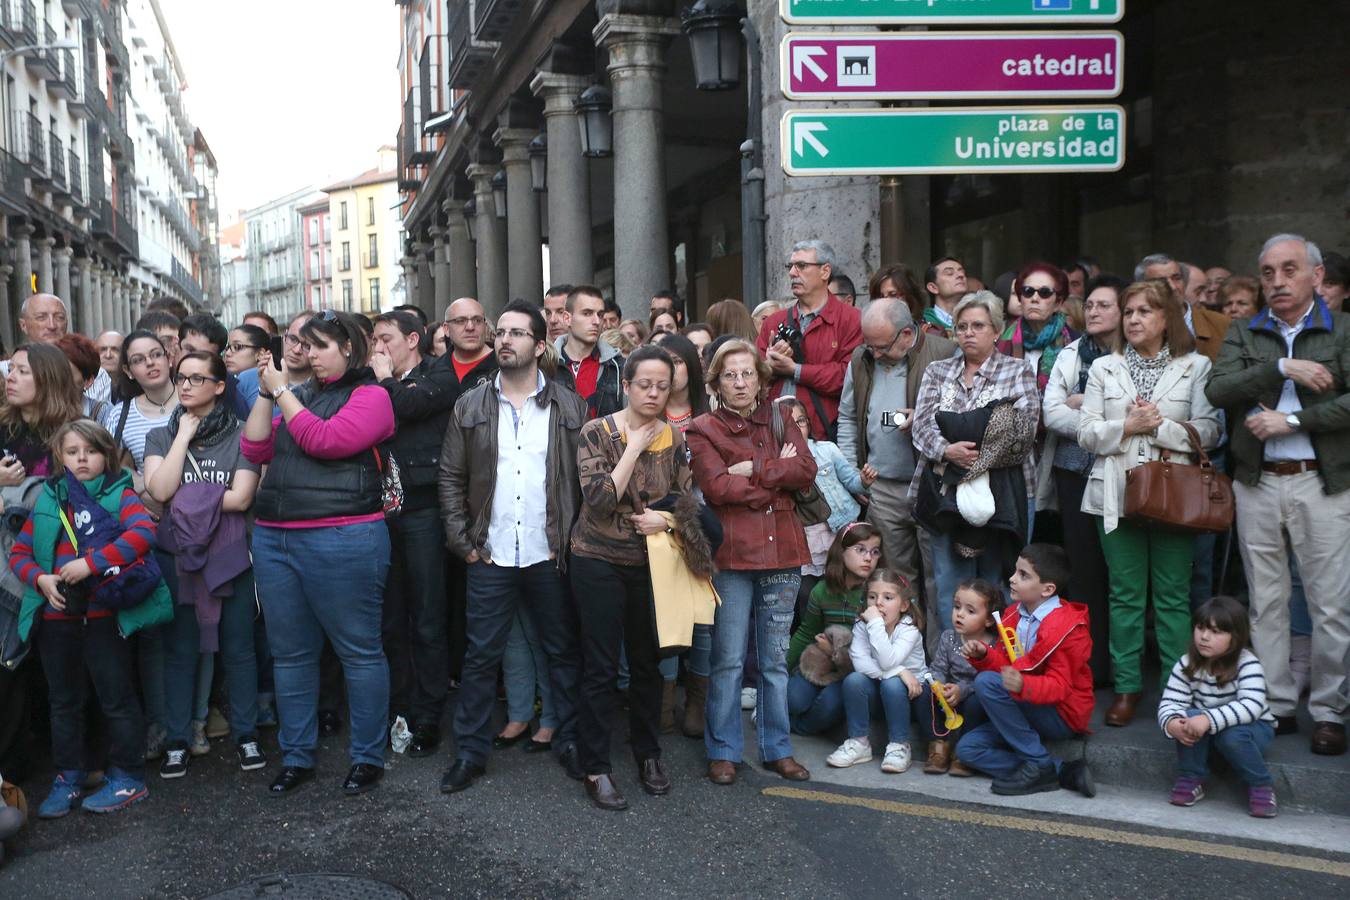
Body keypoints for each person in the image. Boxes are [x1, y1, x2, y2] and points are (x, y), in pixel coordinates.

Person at [242, 310, 395, 797]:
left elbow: (326, 442)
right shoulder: (298, 395)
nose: (309, 355)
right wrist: (269, 392)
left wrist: (282, 392)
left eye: (320, 346)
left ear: (348, 348)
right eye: (305, 346)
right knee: (290, 656)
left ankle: (368, 756)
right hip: (275, 537)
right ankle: (297, 756)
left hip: (343, 536)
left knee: (359, 652)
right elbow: (255, 449)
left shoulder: (373, 397)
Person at [1206, 234, 1349, 756]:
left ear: (1315, 276)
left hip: (1323, 480)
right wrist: (1282, 368)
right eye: (1268, 272)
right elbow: (1218, 389)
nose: (1277, 281)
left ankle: (1330, 711)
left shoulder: (1343, 329)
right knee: (1266, 604)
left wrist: (1293, 418)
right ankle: (1274, 703)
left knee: (1329, 604)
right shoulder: (1246, 330)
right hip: (1258, 481)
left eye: (1289, 270)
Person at [437, 300, 585, 793]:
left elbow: (586, 482)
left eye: (518, 333)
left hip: (550, 552)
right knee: (481, 657)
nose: (504, 340)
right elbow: (451, 477)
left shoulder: (570, 405)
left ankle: (568, 740)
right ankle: (471, 754)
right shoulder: (471, 404)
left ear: (540, 346)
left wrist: (575, 542)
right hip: (492, 552)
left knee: (562, 651)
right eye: (500, 332)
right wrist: (463, 543)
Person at [1078, 280, 1220, 726]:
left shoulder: (1196, 365)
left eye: (1145, 311)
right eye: (1130, 311)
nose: (1134, 319)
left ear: (1167, 318)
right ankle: (1126, 688)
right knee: (1124, 597)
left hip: (1175, 497)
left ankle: (1174, 692)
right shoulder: (1104, 367)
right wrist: (1127, 424)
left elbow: (1211, 432)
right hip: (1115, 496)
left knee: (1174, 599)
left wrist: (1156, 428)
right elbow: (1085, 434)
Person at [13, 419, 171, 816]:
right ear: (60, 458)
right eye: (72, 452)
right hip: (58, 619)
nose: (82, 459)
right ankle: (69, 776)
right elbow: (19, 554)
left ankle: (129, 777)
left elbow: (143, 534)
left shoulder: (120, 494)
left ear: (106, 455)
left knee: (115, 696)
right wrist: (42, 579)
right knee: (63, 701)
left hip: (105, 616)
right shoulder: (50, 498)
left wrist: (91, 563)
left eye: (91, 451)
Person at [685, 339, 817, 786]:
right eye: (729, 375)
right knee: (727, 658)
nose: (740, 383)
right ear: (715, 383)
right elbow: (718, 488)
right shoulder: (701, 428)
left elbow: (806, 469)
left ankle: (777, 748)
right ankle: (723, 750)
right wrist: (772, 473)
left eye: (747, 374)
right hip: (732, 555)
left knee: (775, 660)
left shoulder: (781, 416)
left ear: (761, 379)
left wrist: (751, 469)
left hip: (782, 551)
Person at [569, 345, 694, 810]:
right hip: (597, 558)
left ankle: (648, 754)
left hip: (653, 563)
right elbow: (600, 500)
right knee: (600, 667)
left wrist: (668, 522)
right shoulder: (596, 432)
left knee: (648, 664)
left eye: (662, 386)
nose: (654, 393)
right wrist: (636, 445)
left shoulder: (676, 439)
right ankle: (595, 765)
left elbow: (685, 501)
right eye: (645, 384)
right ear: (626, 385)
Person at [143, 352, 263, 779]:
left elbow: (243, 497)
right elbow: (159, 491)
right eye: (182, 378)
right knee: (180, 652)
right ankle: (178, 739)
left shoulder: (244, 433)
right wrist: (183, 438)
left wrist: (185, 499)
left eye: (198, 378)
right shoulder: (162, 436)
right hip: (179, 560)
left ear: (219, 386)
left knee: (239, 650)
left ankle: (246, 734)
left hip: (232, 558)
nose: (187, 385)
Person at [910, 292, 1039, 630]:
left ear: (996, 330)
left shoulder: (1017, 370)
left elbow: (1022, 433)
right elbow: (922, 425)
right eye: (962, 326)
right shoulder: (938, 372)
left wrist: (974, 458)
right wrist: (946, 451)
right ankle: (955, 673)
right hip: (944, 491)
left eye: (978, 325)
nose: (968, 332)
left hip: (1005, 492)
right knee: (950, 586)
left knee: (1000, 584)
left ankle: (998, 670)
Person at [368, 311, 457, 758]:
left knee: (426, 617)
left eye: (386, 339)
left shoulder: (438, 375)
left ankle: (428, 715)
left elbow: (409, 406)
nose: (378, 348)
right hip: (381, 513)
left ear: (413, 340)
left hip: (423, 509)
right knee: (390, 618)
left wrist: (385, 381)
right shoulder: (372, 380)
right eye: (374, 341)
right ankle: (396, 709)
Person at [838, 297, 956, 601]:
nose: (875, 354)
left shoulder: (943, 353)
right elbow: (849, 418)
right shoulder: (861, 358)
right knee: (896, 581)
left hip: (933, 485)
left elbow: (964, 414)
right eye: (870, 345)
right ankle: (906, 646)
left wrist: (925, 417)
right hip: (883, 490)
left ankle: (938, 649)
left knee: (940, 579)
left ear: (906, 334)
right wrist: (852, 473)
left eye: (882, 347)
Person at [956, 544, 1095, 797]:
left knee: (987, 683)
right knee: (968, 750)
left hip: (1061, 714)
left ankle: (1037, 761)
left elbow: (1059, 688)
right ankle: (1059, 769)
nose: (1012, 578)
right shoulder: (1014, 615)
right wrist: (986, 656)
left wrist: (1022, 685)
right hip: (1026, 703)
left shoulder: (1070, 628)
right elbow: (1013, 667)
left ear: (1047, 589)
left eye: (1024, 575)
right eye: (1016, 571)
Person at [1041, 275, 1125, 687]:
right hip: (1075, 475)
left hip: (1125, 475)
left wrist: (1086, 408)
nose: (1092, 311)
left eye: (1103, 305)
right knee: (1085, 573)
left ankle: (1126, 669)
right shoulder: (1069, 354)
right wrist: (1106, 419)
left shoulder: (1137, 355)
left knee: (1122, 576)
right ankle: (1092, 669)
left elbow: (1146, 414)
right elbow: (1052, 414)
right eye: (1089, 304)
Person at [1158, 596, 1278, 818]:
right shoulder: (1186, 663)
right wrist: (1172, 722)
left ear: (1236, 637)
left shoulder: (1247, 663)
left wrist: (1208, 719)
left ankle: (1260, 784)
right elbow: (1171, 702)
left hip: (1252, 729)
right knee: (1188, 718)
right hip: (1206, 730)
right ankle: (1190, 777)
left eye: (1216, 632)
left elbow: (1251, 707)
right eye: (1200, 628)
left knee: (1231, 734)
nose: (1204, 637)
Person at [756, 240, 864, 439]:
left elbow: (847, 377)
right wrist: (767, 366)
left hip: (823, 436)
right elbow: (751, 380)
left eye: (802, 266)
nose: (792, 273)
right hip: (773, 435)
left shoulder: (852, 320)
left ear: (825, 271)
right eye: (791, 266)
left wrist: (795, 370)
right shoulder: (773, 322)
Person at [786, 523, 881, 737]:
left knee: (828, 705)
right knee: (793, 699)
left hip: (857, 673)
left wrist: (833, 651)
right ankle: (784, 716)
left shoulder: (877, 594)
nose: (868, 558)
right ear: (841, 552)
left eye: (875, 552)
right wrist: (779, 670)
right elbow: (805, 632)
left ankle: (800, 727)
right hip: (822, 663)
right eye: (860, 550)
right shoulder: (823, 591)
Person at [828, 567, 925, 773]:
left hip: (909, 698)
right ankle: (859, 742)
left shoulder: (909, 631)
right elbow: (860, 663)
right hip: (878, 695)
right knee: (854, 680)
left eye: (888, 597)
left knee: (891, 684)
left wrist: (875, 624)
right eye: (872, 597)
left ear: (904, 605)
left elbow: (888, 660)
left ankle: (900, 745)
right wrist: (900, 672)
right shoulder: (863, 626)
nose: (878, 602)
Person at [919, 579, 998, 776]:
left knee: (978, 700)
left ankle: (963, 752)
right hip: (947, 698)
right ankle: (939, 745)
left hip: (970, 698)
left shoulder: (994, 646)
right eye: (956, 607)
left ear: (988, 620)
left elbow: (987, 678)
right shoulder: (949, 637)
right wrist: (939, 685)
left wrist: (962, 690)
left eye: (970, 611)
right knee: (924, 692)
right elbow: (938, 667)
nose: (960, 614)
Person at [2, 294, 113, 404]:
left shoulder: (93, 373)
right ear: (23, 325)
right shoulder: (3, 371)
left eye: (59, 317)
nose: (52, 325)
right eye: (41, 317)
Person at [1, 344, 83, 483]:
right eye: (10, 369)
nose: (10, 377)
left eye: (22, 371)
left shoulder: (77, 432)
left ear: (49, 379)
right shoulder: (3, 426)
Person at [100, 332, 179, 474]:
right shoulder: (119, 415)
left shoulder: (195, 398)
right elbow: (112, 469)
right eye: (138, 360)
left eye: (156, 354)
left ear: (168, 358)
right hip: (145, 494)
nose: (150, 363)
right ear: (128, 371)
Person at [998, 262, 1077, 399]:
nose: (1034, 299)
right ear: (1020, 299)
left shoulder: (1076, 344)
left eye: (1044, 293)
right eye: (1028, 292)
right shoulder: (998, 342)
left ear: (1058, 303)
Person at [1135, 254, 1231, 362]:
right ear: (1142, 288)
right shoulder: (1134, 326)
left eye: (1177, 278)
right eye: (1160, 281)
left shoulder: (1222, 324)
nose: (1172, 287)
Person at [554, 286, 625, 420]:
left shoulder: (618, 367)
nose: (597, 322)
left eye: (600, 315)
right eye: (587, 313)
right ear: (567, 318)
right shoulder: (547, 366)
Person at [179, 314, 249, 420]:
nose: (194, 360)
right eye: (190, 350)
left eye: (204, 356)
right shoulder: (157, 379)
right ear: (177, 345)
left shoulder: (231, 394)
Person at [444, 298, 497, 393]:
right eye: (460, 321)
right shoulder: (433, 371)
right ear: (446, 329)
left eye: (477, 320)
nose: (470, 327)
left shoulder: (502, 368)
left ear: (485, 326)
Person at [54, 334, 108, 420]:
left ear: (88, 381)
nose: (57, 378)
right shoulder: (36, 411)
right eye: (52, 371)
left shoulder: (104, 413)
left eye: (65, 373)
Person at [224, 323, 270, 410]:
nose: (227, 354)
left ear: (260, 354)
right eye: (227, 348)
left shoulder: (250, 378)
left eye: (237, 347)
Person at [923, 257, 969, 339]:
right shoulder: (923, 323)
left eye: (962, 272)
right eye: (949, 273)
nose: (961, 275)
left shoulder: (979, 319)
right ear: (933, 288)